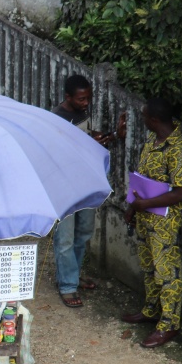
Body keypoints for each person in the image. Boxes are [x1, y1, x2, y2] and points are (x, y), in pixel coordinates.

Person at [122, 97, 182, 348]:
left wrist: (143, 205)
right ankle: (151, 309)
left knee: (167, 274)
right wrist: (133, 206)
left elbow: (179, 193)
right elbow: (143, 178)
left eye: (144, 116)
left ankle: (169, 325)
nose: (142, 120)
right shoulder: (153, 140)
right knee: (149, 267)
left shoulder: (179, 149)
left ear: (154, 120)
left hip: (164, 221)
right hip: (143, 215)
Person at [51, 74, 127, 308]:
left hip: (85, 183)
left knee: (83, 232)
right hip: (63, 186)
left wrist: (113, 136)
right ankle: (67, 286)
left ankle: (71, 276)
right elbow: (57, 153)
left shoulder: (82, 114)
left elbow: (88, 142)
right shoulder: (55, 118)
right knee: (64, 237)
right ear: (68, 97)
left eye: (88, 99)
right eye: (81, 99)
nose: (86, 103)